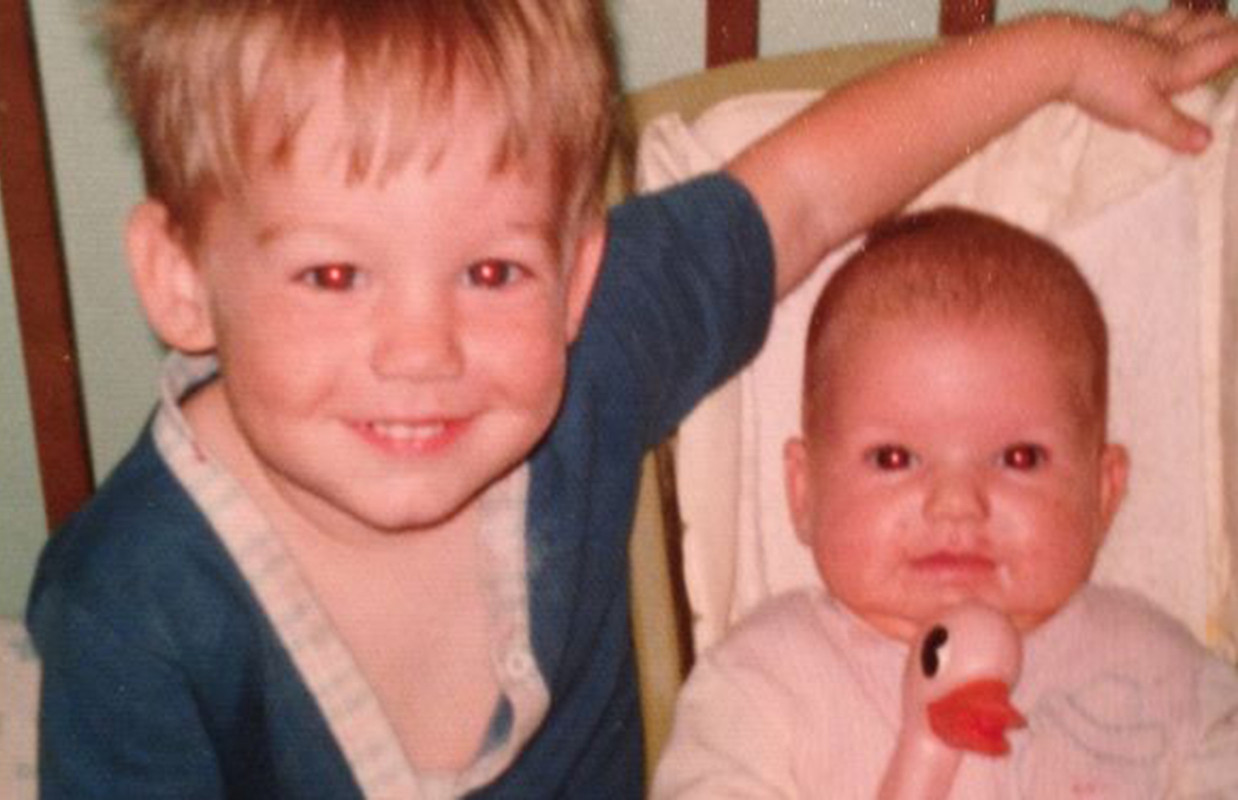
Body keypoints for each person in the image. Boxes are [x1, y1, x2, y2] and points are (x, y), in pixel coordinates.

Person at [25, 0, 1238, 796]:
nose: (422, 347)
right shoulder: (132, 609)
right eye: (334, 273)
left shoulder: (588, 363)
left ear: (575, 277)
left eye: (492, 269)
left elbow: (806, 196)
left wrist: (1062, 58)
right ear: (181, 282)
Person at [651, 207, 1238, 798]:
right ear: (804, 492)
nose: (957, 506)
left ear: (1103, 493)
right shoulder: (765, 681)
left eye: (1019, 458)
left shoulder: (1164, 669)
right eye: (894, 459)